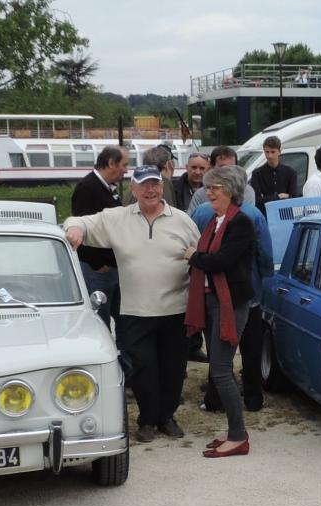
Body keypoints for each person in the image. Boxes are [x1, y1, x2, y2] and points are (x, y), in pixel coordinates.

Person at [63, 164, 200, 443]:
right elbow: (77, 221)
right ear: (133, 189)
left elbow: (200, 255)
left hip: (176, 310)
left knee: (173, 369)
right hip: (136, 311)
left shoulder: (183, 220)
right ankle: (147, 420)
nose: (150, 190)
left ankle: (167, 417)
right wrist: (74, 229)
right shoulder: (118, 218)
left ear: (162, 187)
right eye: (144, 185)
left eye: (155, 184)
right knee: (142, 368)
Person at [183, 165, 258, 458]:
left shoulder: (241, 223)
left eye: (215, 187)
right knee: (219, 369)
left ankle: (238, 437)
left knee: (222, 371)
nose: (208, 192)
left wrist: (194, 256)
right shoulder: (217, 220)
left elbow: (221, 261)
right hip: (214, 301)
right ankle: (234, 432)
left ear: (230, 190)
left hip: (231, 304)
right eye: (208, 187)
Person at [191, 184, 275, 413]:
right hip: (246, 288)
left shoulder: (202, 212)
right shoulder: (253, 214)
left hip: (210, 289)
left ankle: (214, 398)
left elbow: (192, 241)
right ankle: (253, 398)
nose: (210, 193)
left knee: (217, 349)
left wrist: (194, 258)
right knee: (250, 347)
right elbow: (265, 253)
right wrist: (266, 275)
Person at [71, 145, 128, 331]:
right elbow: (81, 227)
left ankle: (126, 358)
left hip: (113, 267)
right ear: (111, 163)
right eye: (124, 165)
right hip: (99, 271)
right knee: (101, 323)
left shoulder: (108, 188)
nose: (126, 170)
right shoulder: (87, 188)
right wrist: (97, 264)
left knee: (124, 320)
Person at [190, 145, 256, 212]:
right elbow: (191, 220)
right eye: (223, 167)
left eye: (231, 167)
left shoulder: (246, 191)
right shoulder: (200, 194)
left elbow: (248, 217)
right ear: (211, 168)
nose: (228, 172)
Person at [250, 135, 297, 215]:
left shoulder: (291, 172)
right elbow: (257, 200)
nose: (269, 156)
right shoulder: (257, 173)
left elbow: (293, 198)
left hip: (285, 215)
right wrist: (278, 197)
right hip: (265, 215)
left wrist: (266, 198)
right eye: (267, 152)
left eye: (272, 152)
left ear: (279, 151)